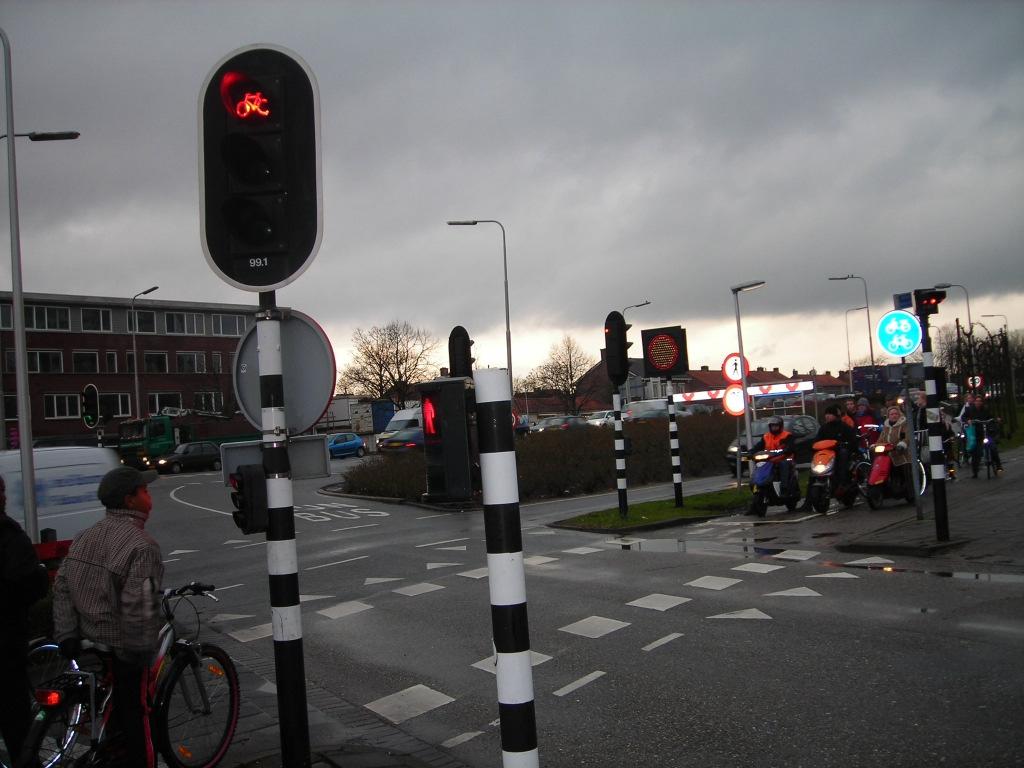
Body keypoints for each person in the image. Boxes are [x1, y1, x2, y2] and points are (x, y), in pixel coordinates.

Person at [53, 466, 163, 768]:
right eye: (145, 491)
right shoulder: (142, 546)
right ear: (130, 500)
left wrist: (66, 634)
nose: (150, 497)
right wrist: (140, 654)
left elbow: (62, 586)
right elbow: (138, 607)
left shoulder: (85, 536)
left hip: (88, 640)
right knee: (136, 715)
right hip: (122, 646)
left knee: (109, 710)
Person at [1, 475, 51, 763]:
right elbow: (26, 582)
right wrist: (42, 576)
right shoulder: (7, 534)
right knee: (15, 719)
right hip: (6, 643)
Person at [800, 405, 859, 510]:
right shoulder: (824, 428)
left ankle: (842, 481)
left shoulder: (844, 427)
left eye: (830, 414)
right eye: (826, 414)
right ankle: (808, 502)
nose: (827, 416)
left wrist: (844, 445)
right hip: (826, 456)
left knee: (843, 453)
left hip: (838, 456)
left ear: (836, 415)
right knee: (813, 473)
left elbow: (853, 442)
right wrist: (812, 446)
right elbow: (817, 440)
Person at [962, 393, 1004, 477]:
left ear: (982, 402)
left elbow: (991, 417)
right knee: (976, 452)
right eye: (977, 401)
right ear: (974, 402)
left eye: (980, 401)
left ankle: (999, 466)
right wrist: (968, 420)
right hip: (976, 434)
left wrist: (996, 419)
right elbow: (964, 417)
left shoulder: (985, 410)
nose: (978, 402)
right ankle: (975, 472)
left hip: (986, 433)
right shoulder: (970, 410)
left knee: (993, 448)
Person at [750, 415, 797, 488]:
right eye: (772, 426)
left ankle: (784, 487)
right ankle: (756, 484)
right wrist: (751, 452)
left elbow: (791, 447)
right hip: (769, 459)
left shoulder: (787, 436)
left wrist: (787, 450)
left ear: (780, 426)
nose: (774, 428)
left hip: (783, 458)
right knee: (760, 464)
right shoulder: (766, 436)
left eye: (776, 426)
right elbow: (758, 446)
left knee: (783, 464)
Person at [878, 404, 912, 493]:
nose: (894, 416)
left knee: (905, 469)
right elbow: (881, 439)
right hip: (888, 454)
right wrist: (875, 446)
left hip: (902, 454)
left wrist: (902, 444)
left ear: (899, 414)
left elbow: (907, 437)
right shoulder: (885, 427)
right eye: (891, 414)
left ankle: (909, 490)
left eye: (896, 414)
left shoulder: (904, 425)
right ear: (888, 416)